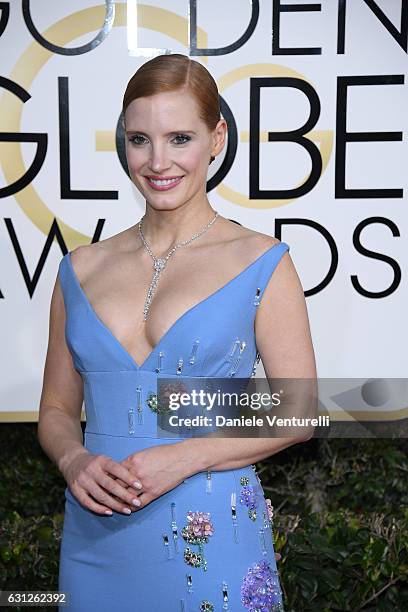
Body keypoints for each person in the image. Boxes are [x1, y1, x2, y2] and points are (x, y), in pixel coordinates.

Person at [38, 53, 317, 611]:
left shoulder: (259, 260)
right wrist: (73, 461)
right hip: (96, 539)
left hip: (211, 530)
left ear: (216, 139)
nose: (157, 161)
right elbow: (58, 411)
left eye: (179, 138)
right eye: (140, 139)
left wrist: (184, 456)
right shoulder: (80, 268)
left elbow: (299, 410)